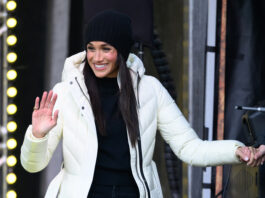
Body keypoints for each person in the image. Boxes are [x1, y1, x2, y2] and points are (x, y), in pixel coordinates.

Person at [20, 10, 259, 198]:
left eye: (106, 49)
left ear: (122, 51)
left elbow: (189, 147)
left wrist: (236, 151)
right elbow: (32, 166)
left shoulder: (150, 90)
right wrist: (37, 136)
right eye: (91, 48)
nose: (97, 57)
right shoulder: (65, 92)